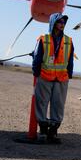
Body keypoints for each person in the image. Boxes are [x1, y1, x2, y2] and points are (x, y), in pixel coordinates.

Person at [32, 13, 74, 144]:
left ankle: (53, 132)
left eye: (63, 22)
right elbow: (37, 58)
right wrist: (36, 73)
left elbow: (70, 60)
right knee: (41, 104)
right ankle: (43, 131)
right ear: (53, 23)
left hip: (61, 79)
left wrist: (69, 75)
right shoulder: (43, 39)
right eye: (59, 22)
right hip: (44, 77)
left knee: (58, 106)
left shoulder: (68, 40)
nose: (62, 24)